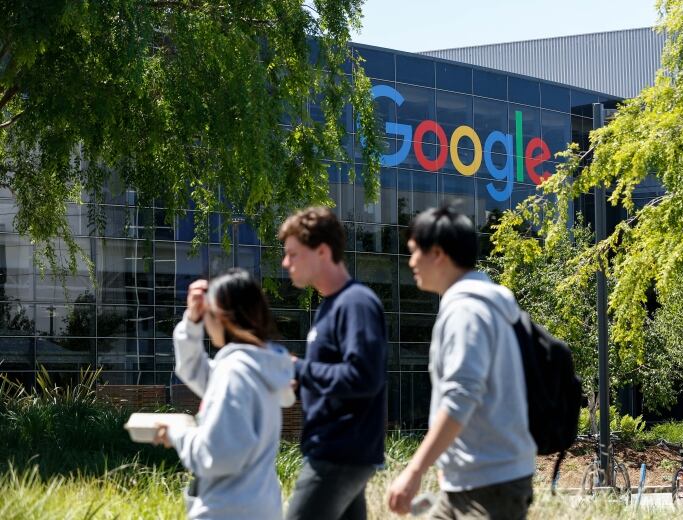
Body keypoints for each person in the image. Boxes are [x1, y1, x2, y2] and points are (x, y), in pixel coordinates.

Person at [387, 206, 536, 519]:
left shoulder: (466, 312)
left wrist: (412, 473)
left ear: (438, 253)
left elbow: (461, 397)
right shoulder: (482, 305)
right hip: (477, 479)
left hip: (488, 485)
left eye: (414, 252)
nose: (411, 262)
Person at [153, 268, 295, 520]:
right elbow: (195, 369)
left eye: (207, 313)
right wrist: (192, 321)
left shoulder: (234, 372)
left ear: (221, 316)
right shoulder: (260, 366)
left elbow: (216, 455)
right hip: (260, 507)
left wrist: (177, 434)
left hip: (227, 510)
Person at [279, 206, 387, 520]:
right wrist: (298, 382)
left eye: (293, 254)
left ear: (322, 251)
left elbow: (363, 376)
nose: (286, 263)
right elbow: (333, 379)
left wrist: (298, 368)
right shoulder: (330, 306)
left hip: (338, 454)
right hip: (338, 452)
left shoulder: (356, 303)